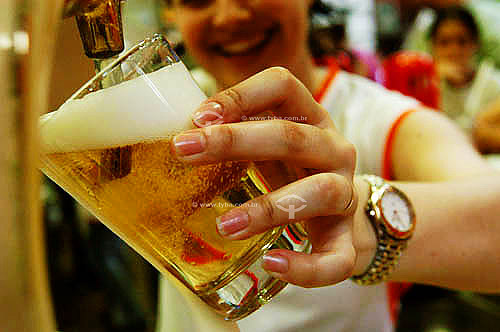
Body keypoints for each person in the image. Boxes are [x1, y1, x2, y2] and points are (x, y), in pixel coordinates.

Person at [157, 1, 500, 332]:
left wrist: (354, 212)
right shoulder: (169, 108)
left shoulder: (377, 117)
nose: (228, 15)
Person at [428, 5, 500, 134]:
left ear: (475, 44)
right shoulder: (428, 83)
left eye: (462, 42)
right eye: (444, 43)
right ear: (432, 46)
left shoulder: (493, 84)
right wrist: (432, 78)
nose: (453, 51)